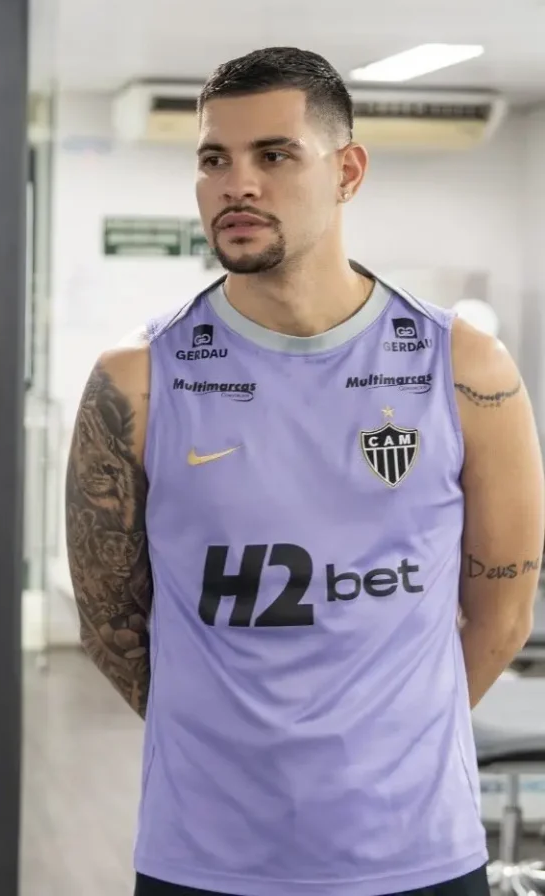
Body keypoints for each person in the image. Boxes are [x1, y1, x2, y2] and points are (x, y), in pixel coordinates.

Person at [65, 46, 545, 896]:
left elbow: (499, 620)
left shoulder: (466, 368)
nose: (236, 184)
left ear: (347, 170)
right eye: (214, 158)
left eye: (274, 155)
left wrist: (381, 747)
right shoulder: (135, 381)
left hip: (417, 853)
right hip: (205, 857)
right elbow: (113, 630)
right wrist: (239, 746)